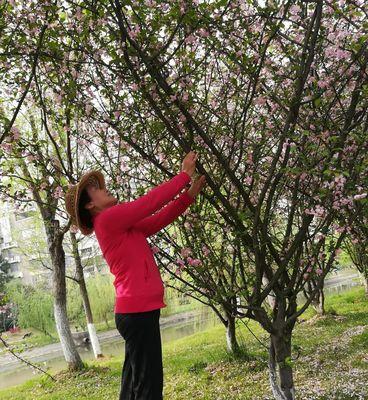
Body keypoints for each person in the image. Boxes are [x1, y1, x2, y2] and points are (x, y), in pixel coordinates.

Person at [64, 151, 206, 399]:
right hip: (137, 314)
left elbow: (158, 218)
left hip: (136, 313)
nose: (104, 189)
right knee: (148, 386)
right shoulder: (108, 219)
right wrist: (184, 175)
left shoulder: (121, 226)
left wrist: (188, 196)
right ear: (90, 205)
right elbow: (149, 203)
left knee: (135, 383)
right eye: (96, 189)